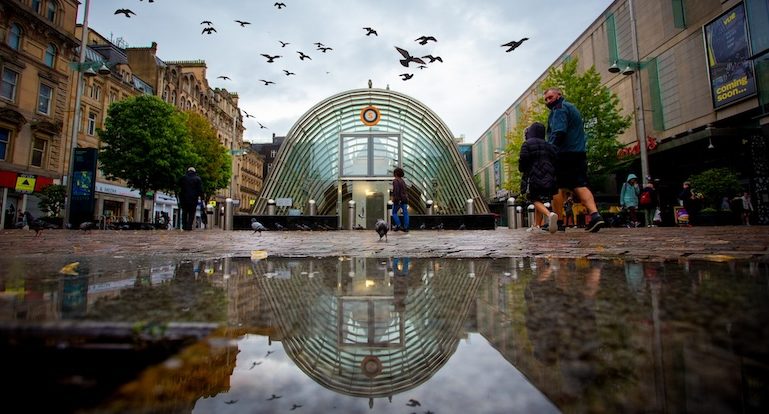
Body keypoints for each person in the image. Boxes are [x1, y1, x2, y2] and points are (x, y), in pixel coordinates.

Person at [543, 87, 604, 232]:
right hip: (578, 152)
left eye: (550, 97)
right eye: (545, 99)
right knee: (579, 184)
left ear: (559, 95)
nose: (548, 101)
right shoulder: (572, 108)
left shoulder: (559, 108)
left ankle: (558, 222)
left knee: (555, 187)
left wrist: (549, 150)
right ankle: (595, 215)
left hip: (564, 154)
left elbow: (558, 132)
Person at [518, 121, 559, 233]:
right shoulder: (549, 145)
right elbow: (555, 160)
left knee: (533, 198)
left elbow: (523, 160)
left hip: (534, 176)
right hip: (549, 177)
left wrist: (522, 170)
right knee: (539, 199)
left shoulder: (527, 144)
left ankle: (549, 214)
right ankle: (537, 225)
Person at [178, 167, 203, 231]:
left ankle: (184, 225)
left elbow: (179, 186)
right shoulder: (198, 179)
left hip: (184, 198)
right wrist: (201, 197)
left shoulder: (183, 178)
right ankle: (189, 226)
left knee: (184, 212)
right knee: (192, 212)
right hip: (193, 198)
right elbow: (200, 190)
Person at [391, 167, 409, 232]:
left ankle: (399, 225)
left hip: (398, 199)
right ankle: (406, 227)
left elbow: (396, 191)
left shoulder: (395, 180)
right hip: (405, 199)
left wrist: (395, 199)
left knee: (394, 212)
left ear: (395, 173)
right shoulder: (402, 181)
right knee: (405, 213)